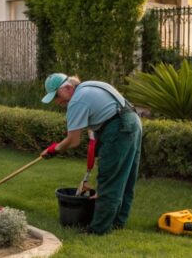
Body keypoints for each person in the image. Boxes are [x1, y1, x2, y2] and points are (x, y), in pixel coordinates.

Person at [39, 73, 142, 235]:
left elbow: (73, 141)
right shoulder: (90, 86)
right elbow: (95, 123)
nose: (58, 102)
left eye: (57, 97)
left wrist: (53, 150)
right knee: (126, 176)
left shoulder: (77, 101)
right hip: (132, 122)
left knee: (109, 179)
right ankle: (117, 222)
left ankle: (98, 230)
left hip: (118, 129)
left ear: (67, 88)